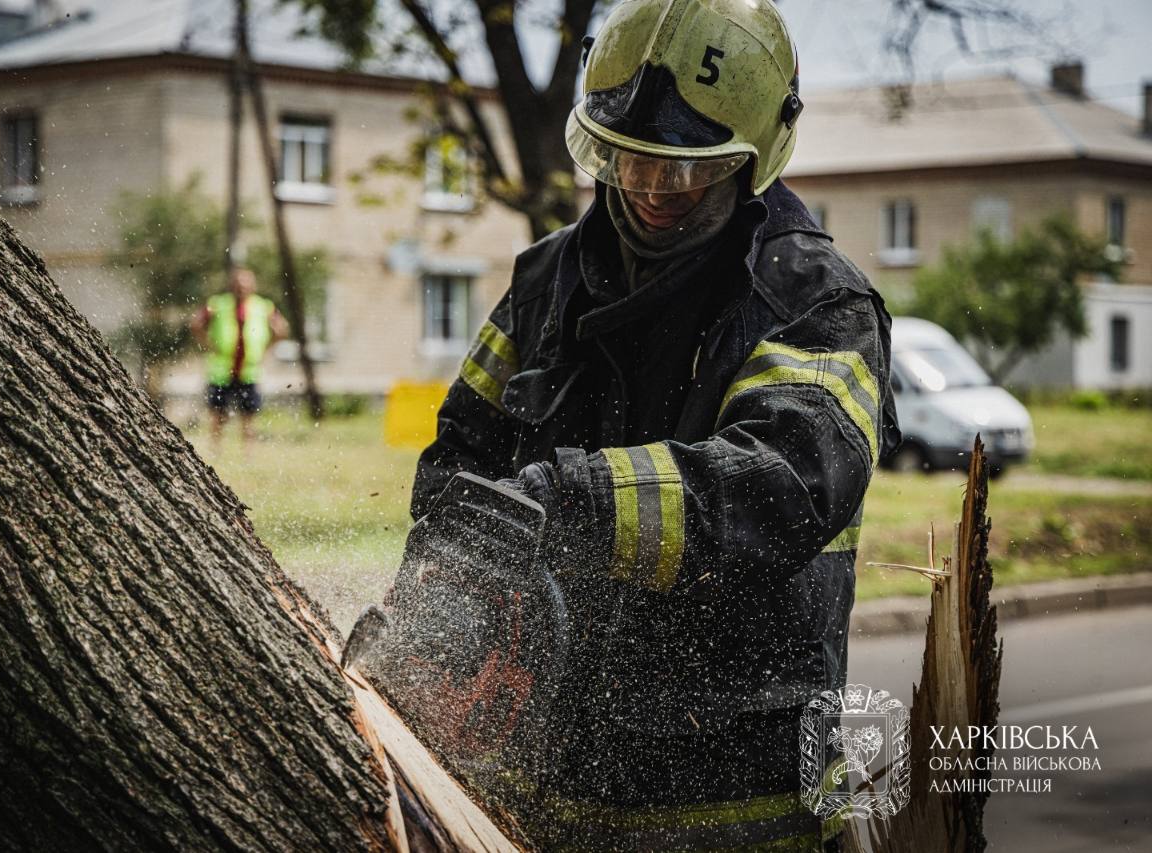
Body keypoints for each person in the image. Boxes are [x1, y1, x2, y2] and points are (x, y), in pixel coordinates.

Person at [410, 0, 900, 849]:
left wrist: (572, 502)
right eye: (628, 159)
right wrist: (441, 598)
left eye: (682, 172)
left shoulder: (814, 302)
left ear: (755, 156)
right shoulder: (545, 282)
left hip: (731, 810)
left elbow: (780, 487)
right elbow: (456, 459)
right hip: (526, 798)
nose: (648, 189)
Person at [191, 266, 288, 447]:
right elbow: (196, 323)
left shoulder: (263, 306)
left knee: (248, 415)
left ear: (253, 285)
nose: (241, 288)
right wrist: (208, 344)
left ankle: (248, 453)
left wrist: (267, 347)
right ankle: (215, 450)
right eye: (238, 284)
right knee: (218, 414)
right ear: (231, 285)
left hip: (249, 369)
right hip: (221, 369)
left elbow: (282, 329)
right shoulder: (217, 303)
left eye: (245, 284)